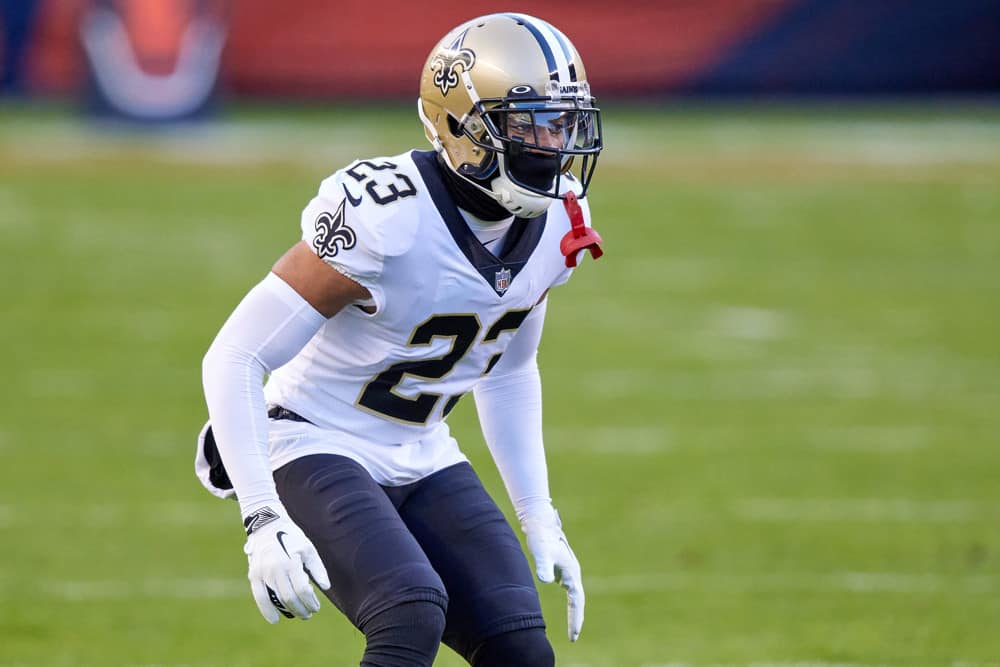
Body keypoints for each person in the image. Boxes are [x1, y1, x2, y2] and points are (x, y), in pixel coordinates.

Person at [196, 12, 604, 667]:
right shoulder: (386, 214)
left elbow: (507, 369)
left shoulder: (558, 217)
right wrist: (262, 518)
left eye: (563, 123)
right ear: (464, 127)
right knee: (409, 610)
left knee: (521, 646)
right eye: (532, 124)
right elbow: (236, 354)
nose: (555, 144)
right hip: (311, 436)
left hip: (422, 448)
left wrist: (539, 512)